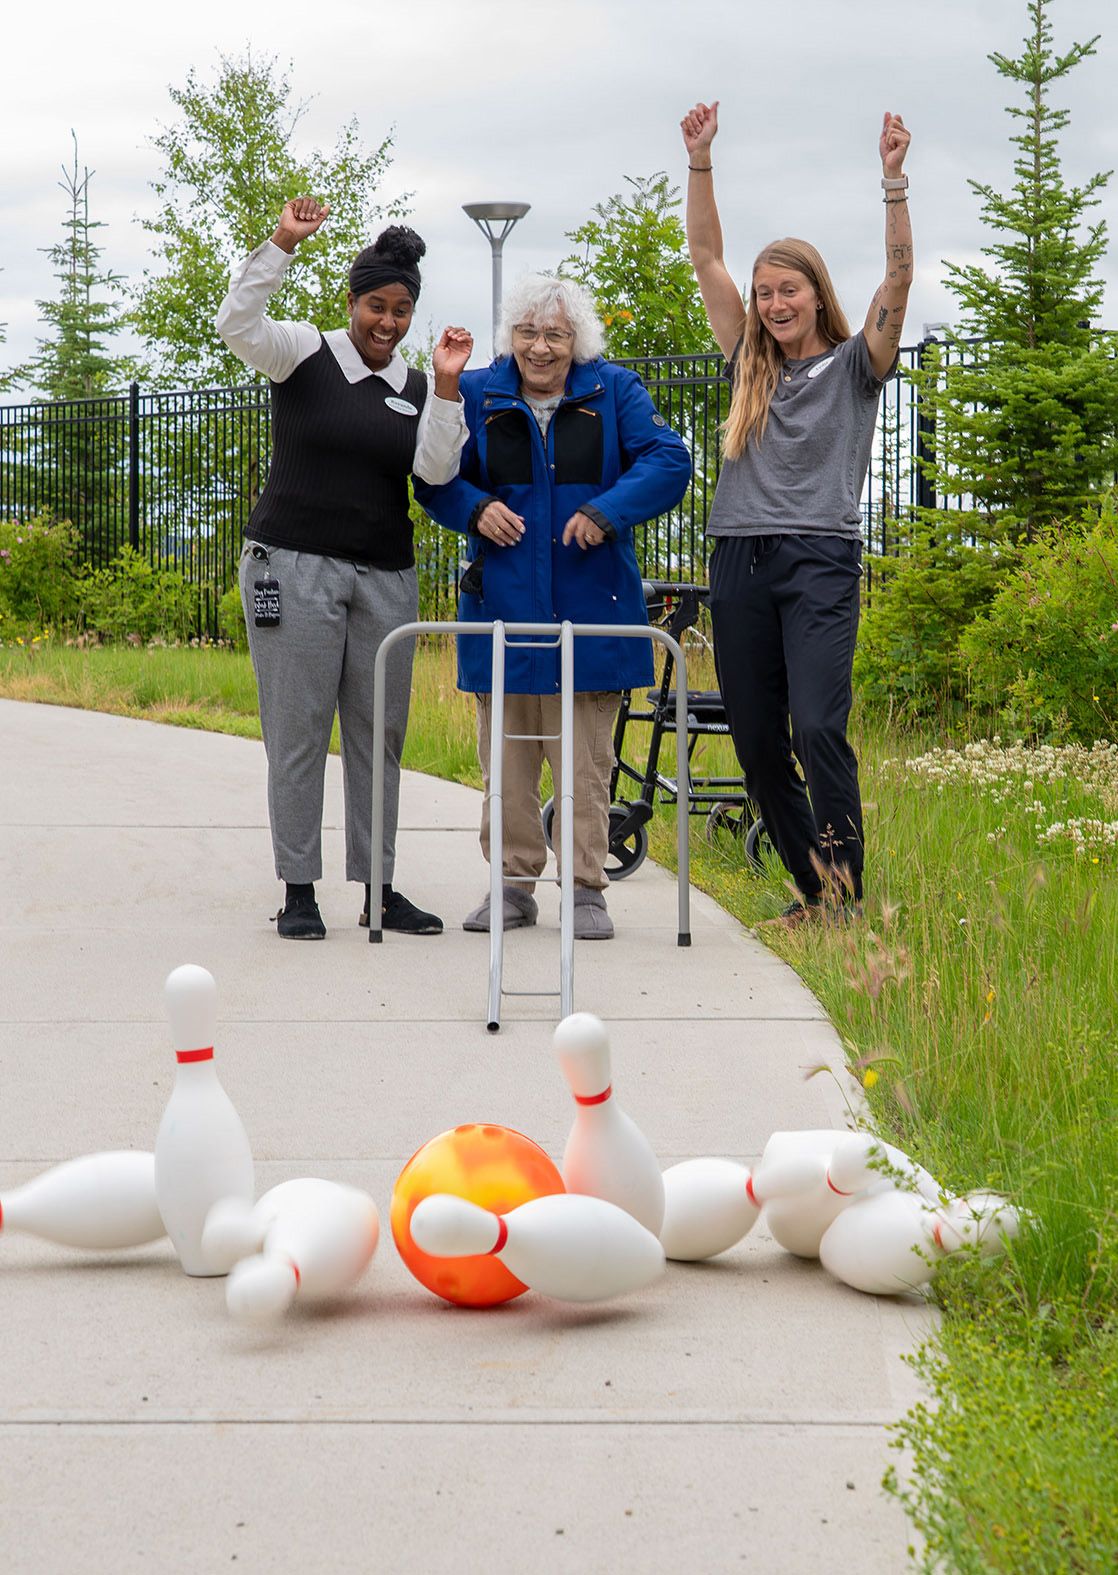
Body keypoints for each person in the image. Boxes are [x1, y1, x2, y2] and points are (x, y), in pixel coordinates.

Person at [680, 101, 913, 922]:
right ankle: (816, 895)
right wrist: (700, 159)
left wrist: (892, 182)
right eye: (765, 293)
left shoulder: (859, 364)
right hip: (738, 559)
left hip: (819, 561)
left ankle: (846, 894)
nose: (775, 304)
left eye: (790, 290)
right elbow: (704, 252)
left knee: (817, 725)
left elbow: (899, 281)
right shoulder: (749, 361)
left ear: (817, 294)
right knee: (755, 744)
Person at [216, 197, 473, 940]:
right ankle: (299, 889)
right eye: (374, 306)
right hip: (291, 566)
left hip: (384, 577)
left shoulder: (418, 389)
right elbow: (236, 325)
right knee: (298, 731)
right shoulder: (300, 351)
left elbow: (434, 469)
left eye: (400, 310)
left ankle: (380, 889)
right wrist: (280, 244)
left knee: (379, 734)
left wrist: (449, 386)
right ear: (352, 301)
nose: (386, 323)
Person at [415, 275, 691, 939]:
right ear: (512, 336)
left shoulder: (614, 390)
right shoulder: (477, 392)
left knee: (586, 765)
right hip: (502, 607)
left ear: (578, 342)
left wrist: (606, 509)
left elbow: (668, 460)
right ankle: (512, 886)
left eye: (556, 335)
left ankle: (587, 888)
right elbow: (435, 480)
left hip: (592, 608)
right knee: (506, 768)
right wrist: (476, 509)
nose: (541, 348)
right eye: (529, 333)